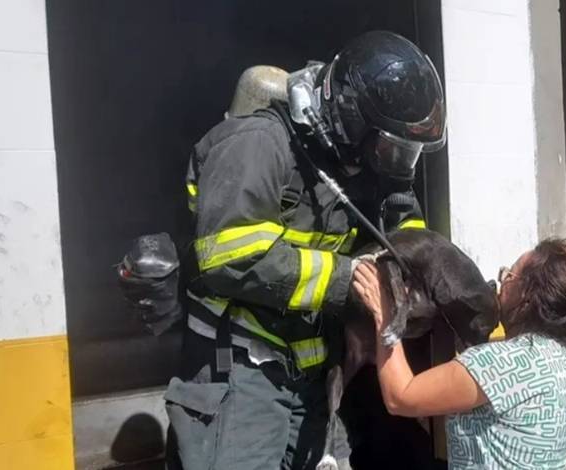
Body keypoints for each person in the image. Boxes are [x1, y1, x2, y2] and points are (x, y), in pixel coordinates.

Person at [165, 31, 446, 470]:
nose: (397, 163)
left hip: (313, 375)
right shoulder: (256, 144)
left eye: (405, 152)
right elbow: (230, 256)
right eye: (391, 147)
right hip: (243, 369)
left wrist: (416, 267)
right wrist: (350, 278)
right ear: (351, 118)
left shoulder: (355, 165)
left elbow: (404, 235)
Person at [352, 238, 566, 469]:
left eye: (509, 276)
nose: (499, 283)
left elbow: (401, 397)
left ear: (526, 299)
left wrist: (385, 313)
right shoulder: (563, 362)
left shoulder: (505, 363)